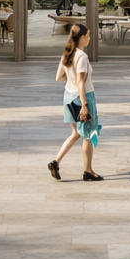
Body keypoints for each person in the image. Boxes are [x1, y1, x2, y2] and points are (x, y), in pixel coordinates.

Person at [48, 23, 102, 182]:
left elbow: (58, 77)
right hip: (81, 98)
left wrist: (70, 77)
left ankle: (55, 162)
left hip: (68, 97)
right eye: (89, 36)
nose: (90, 39)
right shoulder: (82, 57)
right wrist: (84, 105)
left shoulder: (67, 53)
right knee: (88, 135)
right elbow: (81, 81)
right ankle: (88, 171)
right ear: (83, 37)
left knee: (76, 133)